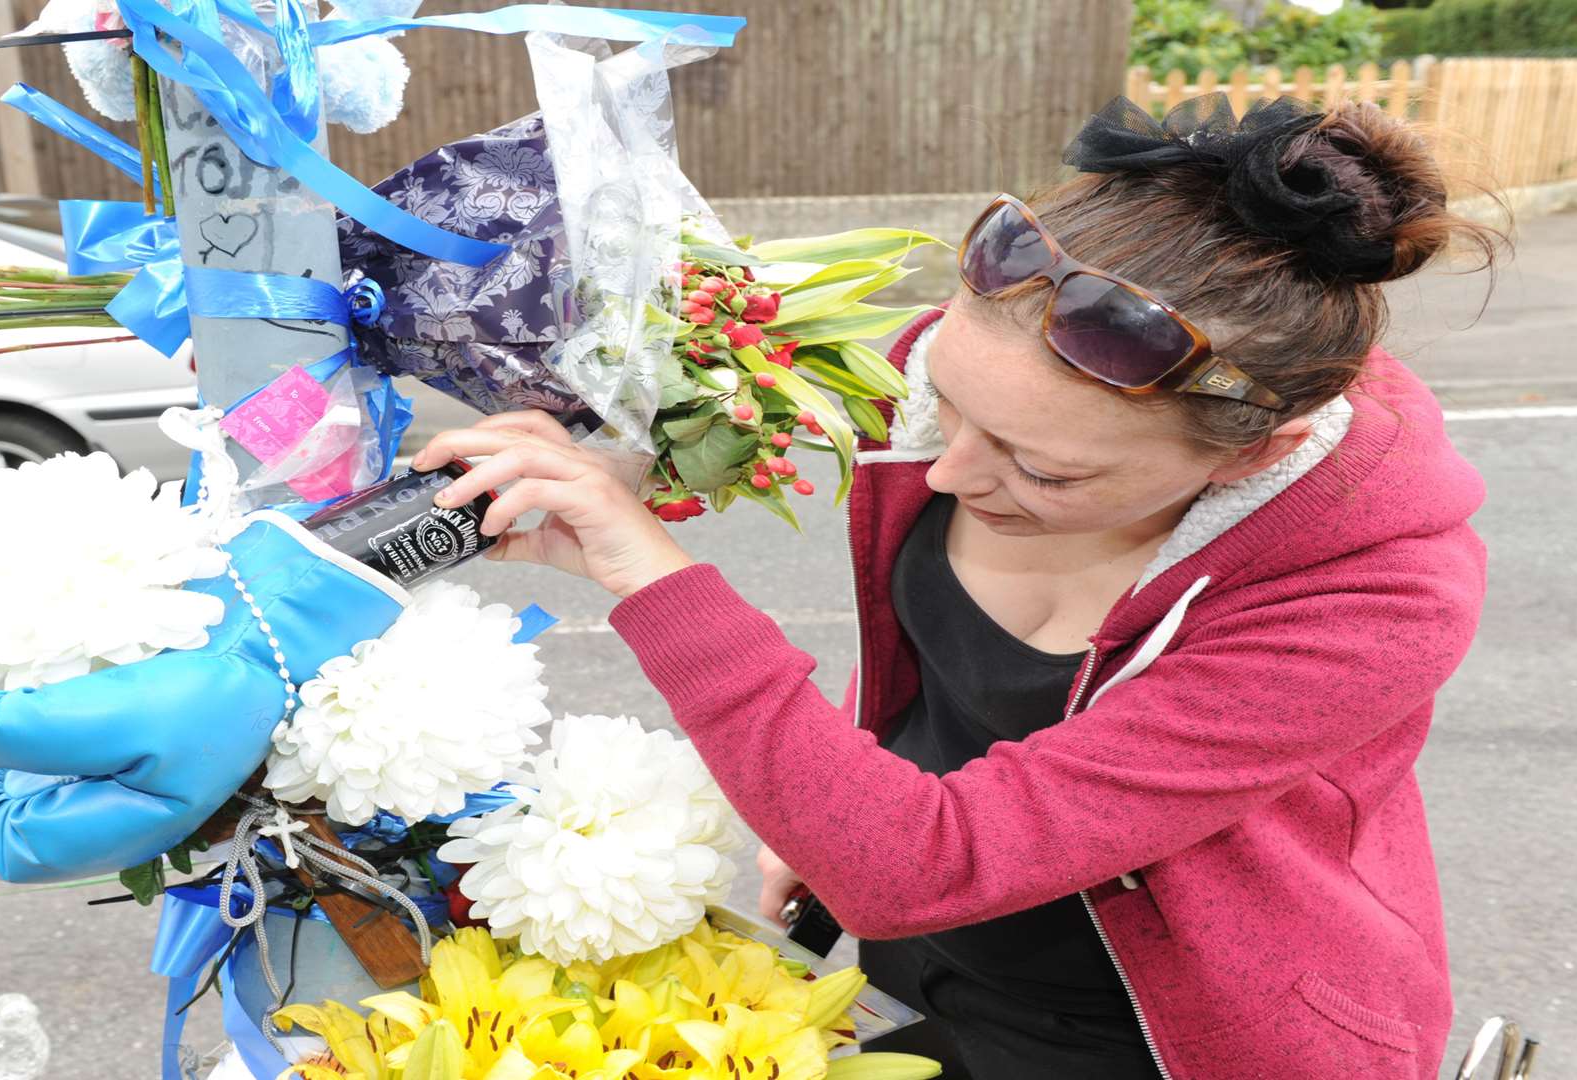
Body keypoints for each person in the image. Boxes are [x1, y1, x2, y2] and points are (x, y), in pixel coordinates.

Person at [412, 95, 1501, 1080]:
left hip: (1163, 1034)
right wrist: (836, 786)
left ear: (1252, 459)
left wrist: (652, 575)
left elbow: (921, 861)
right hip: (904, 957)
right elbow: (917, 686)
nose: (945, 472)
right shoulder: (970, 384)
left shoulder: (1376, 598)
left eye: (1045, 469)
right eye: (946, 401)